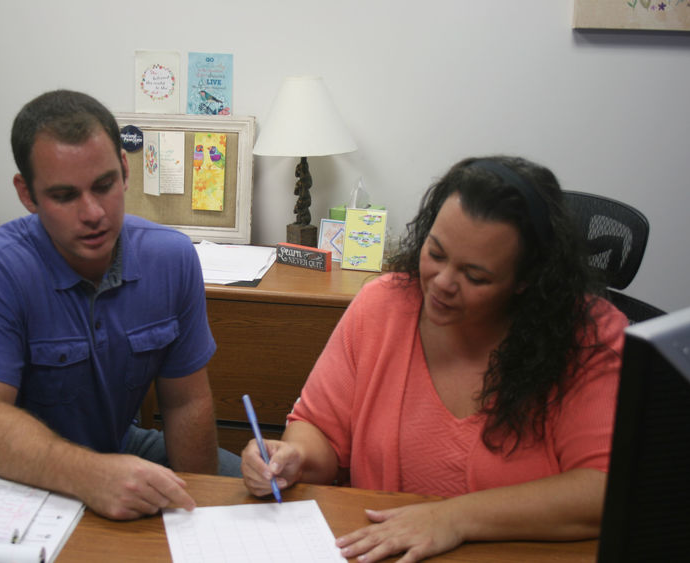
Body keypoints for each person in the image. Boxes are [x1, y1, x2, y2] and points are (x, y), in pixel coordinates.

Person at [241, 155, 627, 561]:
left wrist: (453, 518)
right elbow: (319, 429)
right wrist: (293, 459)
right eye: (436, 253)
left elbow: (604, 489)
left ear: (526, 281)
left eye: (475, 276)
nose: (442, 284)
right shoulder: (383, 305)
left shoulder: (588, 338)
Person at [0, 89, 240, 521]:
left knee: (256, 502)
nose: (93, 212)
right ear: (27, 195)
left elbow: (185, 403)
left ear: (124, 168)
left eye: (104, 186)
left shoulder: (171, 258)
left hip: (120, 449)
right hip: (14, 475)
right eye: (64, 196)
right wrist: (91, 475)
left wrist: (197, 513)